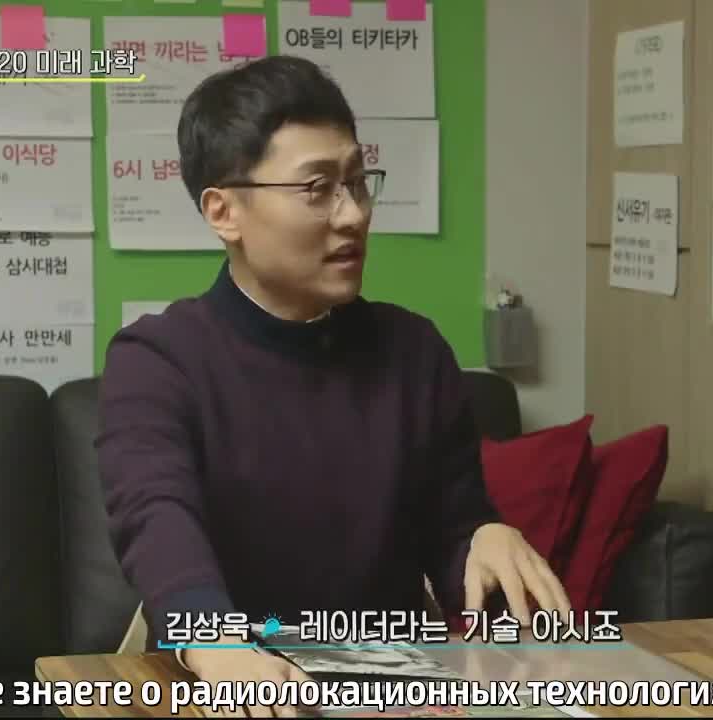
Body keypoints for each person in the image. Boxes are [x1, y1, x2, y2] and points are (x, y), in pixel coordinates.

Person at [96, 55, 571, 717]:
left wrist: (484, 538)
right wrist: (217, 646)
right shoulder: (158, 359)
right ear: (224, 211)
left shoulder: (414, 352)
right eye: (317, 188)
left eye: (356, 182)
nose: (352, 216)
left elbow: (453, 532)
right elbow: (156, 517)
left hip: (392, 688)